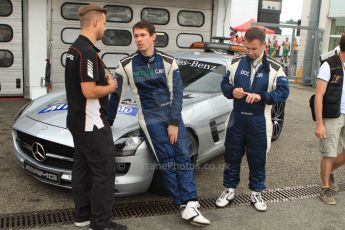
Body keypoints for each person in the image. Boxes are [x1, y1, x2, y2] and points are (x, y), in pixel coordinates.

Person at [107, 20, 210, 226]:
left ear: (153, 37)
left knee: (182, 157)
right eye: (136, 36)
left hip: (172, 115)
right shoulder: (125, 64)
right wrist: (107, 122)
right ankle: (183, 204)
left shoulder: (168, 61)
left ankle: (191, 202)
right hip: (150, 118)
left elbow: (178, 93)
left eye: (143, 35)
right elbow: (116, 95)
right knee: (167, 160)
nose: (138, 40)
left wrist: (173, 122)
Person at [64, 4, 126, 230]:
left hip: (78, 121)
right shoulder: (87, 52)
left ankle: (82, 216)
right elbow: (89, 91)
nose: (105, 28)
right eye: (105, 23)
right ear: (97, 22)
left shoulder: (75, 49)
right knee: (104, 171)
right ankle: (100, 224)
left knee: (82, 168)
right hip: (91, 123)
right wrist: (111, 88)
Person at [216, 27, 289, 211]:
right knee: (231, 156)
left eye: (254, 48)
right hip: (237, 119)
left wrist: (262, 96)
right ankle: (229, 189)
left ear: (264, 45)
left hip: (259, 120)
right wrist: (232, 91)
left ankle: (256, 193)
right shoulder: (234, 63)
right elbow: (224, 84)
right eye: (247, 48)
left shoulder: (275, 67)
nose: (249, 52)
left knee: (257, 160)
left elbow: (283, 92)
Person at [314, 33, 345, 205]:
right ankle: (325, 187)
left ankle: (330, 170)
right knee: (329, 152)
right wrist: (319, 123)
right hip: (333, 114)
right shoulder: (329, 65)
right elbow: (319, 95)